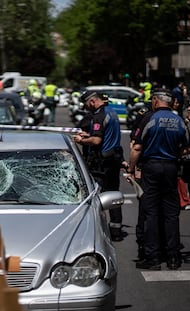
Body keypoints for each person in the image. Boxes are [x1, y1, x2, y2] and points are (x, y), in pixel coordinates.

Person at [127, 88, 190, 270]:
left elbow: (136, 147)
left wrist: (131, 169)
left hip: (151, 168)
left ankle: (153, 257)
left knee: (151, 212)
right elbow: (186, 148)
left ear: (155, 101)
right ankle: (173, 257)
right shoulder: (179, 120)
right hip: (171, 168)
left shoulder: (149, 118)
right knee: (171, 213)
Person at [73, 90, 124, 241]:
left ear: (93, 101)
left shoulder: (98, 115)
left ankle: (94, 229)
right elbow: (106, 135)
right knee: (113, 194)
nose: (86, 107)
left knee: (94, 196)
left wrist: (81, 140)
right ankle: (116, 229)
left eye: (86, 104)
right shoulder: (111, 112)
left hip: (101, 164)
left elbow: (96, 141)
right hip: (113, 159)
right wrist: (89, 136)